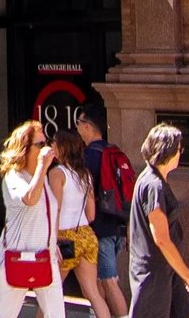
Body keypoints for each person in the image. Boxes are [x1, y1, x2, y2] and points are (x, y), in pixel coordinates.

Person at [127, 124, 189, 318]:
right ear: (168, 150)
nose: (181, 153)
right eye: (179, 148)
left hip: (167, 272)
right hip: (154, 276)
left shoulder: (154, 181)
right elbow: (161, 238)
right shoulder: (153, 185)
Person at [0, 121, 63, 318]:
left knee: (57, 314)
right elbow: (30, 199)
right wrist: (42, 167)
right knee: (6, 314)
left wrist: (52, 242)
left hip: (45, 256)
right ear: (25, 149)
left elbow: (47, 213)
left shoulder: (43, 177)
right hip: (17, 255)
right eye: (39, 145)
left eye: (45, 143)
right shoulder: (13, 178)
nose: (45, 148)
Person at [51, 129, 114, 318]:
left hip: (64, 237)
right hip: (86, 234)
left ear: (62, 147)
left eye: (54, 143)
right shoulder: (85, 174)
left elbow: (56, 210)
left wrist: (52, 241)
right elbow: (91, 214)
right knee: (93, 293)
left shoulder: (57, 173)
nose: (51, 146)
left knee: (51, 292)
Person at [78, 106, 133, 318]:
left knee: (109, 281)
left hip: (99, 228)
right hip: (117, 225)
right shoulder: (114, 151)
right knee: (100, 279)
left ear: (87, 126)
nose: (77, 128)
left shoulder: (89, 156)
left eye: (79, 123)